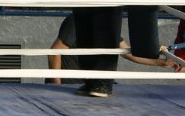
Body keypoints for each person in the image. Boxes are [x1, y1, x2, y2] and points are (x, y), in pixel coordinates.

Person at [47, 13, 181, 85]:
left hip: (96, 82)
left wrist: (160, 62)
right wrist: (57, 85)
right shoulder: (78, 20)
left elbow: (127, 52)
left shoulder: (106, 22)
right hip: (72, 84)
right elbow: (55, 51)